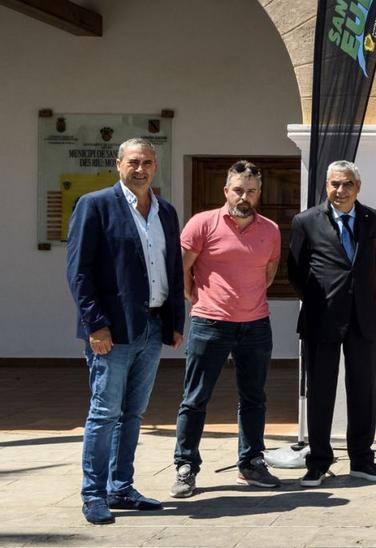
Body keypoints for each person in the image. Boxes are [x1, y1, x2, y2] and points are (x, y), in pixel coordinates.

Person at [66, 137, 184, 524]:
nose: (141, 169)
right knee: (104, 413)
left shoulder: (165, 210)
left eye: (147, 162)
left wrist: (175, 322)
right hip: (112, 331)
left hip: (151, 326)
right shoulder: (96, 205)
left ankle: (121, 486)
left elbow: (172, 270)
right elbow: (79, 272)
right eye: (133, 161)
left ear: (155, 166)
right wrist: (94, 324)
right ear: (118, 164)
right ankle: (93, 494)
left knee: (133, 413)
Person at [170, 161, 281, 498]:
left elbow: (268, 274)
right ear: (226, 191)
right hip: (210, 324)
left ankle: (251, 463)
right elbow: (182, 272)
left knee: (253, 397)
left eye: (250, 190)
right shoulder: (202, 224)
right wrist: (203, 301)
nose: (243, 196)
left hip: (256, 324)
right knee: (195, 399)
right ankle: (186, 466)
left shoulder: (271, 230)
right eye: (237, 189)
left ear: (258, 193)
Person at [288, 160, 376, 487]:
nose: (340, 190)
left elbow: (373, 266)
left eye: (346, 184)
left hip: (362, 317)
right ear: (326, 186)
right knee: (320, 392)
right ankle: (318, 461)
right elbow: (296, 272)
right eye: (334, 184)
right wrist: (323, 298)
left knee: (363, 391)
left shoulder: (373, 219)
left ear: (358, 187)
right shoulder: (306, 221)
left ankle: (361, 458)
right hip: (322, 318)